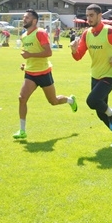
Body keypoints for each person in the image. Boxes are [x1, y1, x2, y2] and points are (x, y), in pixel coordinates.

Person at [71, 4, 112, 147]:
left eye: (91, 15)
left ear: (100, 16)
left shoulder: (111, 32)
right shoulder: (87, 33)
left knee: (91, 101)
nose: (88, 19)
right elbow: (78, 56)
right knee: (100, 112)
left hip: (109, 76)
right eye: (87, 16)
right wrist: (74, 50)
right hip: (95, 75)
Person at [13, 9, 77, 139]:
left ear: (34, 21)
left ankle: (70, 100)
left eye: (27, 18)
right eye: (24, 17)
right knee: (22, 98)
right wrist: (26, 64)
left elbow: (48, 52)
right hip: (30, 73)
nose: (24, 19)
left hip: (44, 73)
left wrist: (29, 55)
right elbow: (30, 54)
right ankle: (22, 131)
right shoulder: (24, 36)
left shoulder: (40, 33)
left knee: (53, 101)